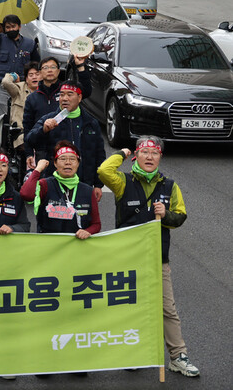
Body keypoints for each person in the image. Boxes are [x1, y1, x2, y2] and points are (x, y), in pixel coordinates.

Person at [96, 137, 199, 377]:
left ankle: (177, 356)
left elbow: (181, 216)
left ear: (160, 157)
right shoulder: (123, 182)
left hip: (157, 259)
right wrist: (121, 152)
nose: (150, 157)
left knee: (167, 309)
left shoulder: (170, 186)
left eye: (155, 152)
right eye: (145, 152)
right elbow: (103, 170)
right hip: (127, 259)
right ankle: (133, 352)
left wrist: (167, 216)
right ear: (136, 157)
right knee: (129, 306)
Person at [25, 81, 104, 186]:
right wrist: (43, 130)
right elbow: (29, 140)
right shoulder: (49, 119)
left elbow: (99, 155)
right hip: (53, 183)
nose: (65, 98)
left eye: (69, 94)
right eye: (62, 95)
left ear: (79, 98)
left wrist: (98, 185)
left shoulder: (90, 123)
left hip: (84, 184)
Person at [20, 141, 101, 239]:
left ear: (78, 163)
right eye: (63, 159)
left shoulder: (88, 191)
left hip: (77, 245)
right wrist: (37, 170)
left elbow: (96, 224)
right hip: (49, 245)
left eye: (72, 159)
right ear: (55, 163)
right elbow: (26, 195)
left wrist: (88, 231)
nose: (68, 162)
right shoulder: (45, 185)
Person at [21, 56, 92, 162]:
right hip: (43, 151)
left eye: (53, 67)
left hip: (67, 148)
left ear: (59, 71)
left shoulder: (67, 92)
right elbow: (28, 128)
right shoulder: (32, 98)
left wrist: (81, 66)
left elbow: (86, 90)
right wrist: (29, 154)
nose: (49, 70)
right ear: (40, 73)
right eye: (45, 68)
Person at [0, 0, 38, 124]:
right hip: (3, 85)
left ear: (19, 27)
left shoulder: (30, 43)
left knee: (21, 115)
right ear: (4, 29)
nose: (11, 29)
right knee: (3, 117)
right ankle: (3, 141)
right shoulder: (0, 39)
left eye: (13, 26)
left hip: (23, 85)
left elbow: (36, 64)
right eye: (8, 27)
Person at [1, 61, 41, 153]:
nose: (34, 77)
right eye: (31, 75)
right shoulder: (19, 89)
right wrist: (13, 76)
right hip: (22, 132)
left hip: (41, 131)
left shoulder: (46, 91)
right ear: (26, 79)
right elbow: (6, 82)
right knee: (28, 145)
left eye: (37, 74)